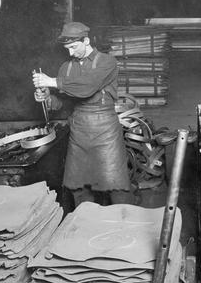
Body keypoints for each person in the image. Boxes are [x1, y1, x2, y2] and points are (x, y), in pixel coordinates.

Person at [32, 21, 133, 208]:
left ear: (86, 41)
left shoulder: (106, 62)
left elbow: (87, 87)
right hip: (79, 129)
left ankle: (124, 225)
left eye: (73, 47)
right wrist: (47, 98)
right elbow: (65, 104)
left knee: (116, 185)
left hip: (105, 130)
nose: (70, 52)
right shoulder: (66, 68)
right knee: (77, 186)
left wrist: (52, 81)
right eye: (67, 48)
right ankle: (83, 226)